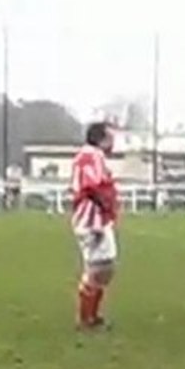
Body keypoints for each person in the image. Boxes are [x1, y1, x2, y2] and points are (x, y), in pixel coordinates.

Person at [71, 122, 119, 330]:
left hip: (97, 219)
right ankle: (86, 318)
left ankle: (92, 314)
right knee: (97, 267)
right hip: (91, 220)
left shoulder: (91, 156)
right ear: (101, 139)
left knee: (105, 266)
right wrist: (105, 205)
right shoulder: (92, 156)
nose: (113, 143)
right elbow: (91, 187)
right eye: (110, 138)